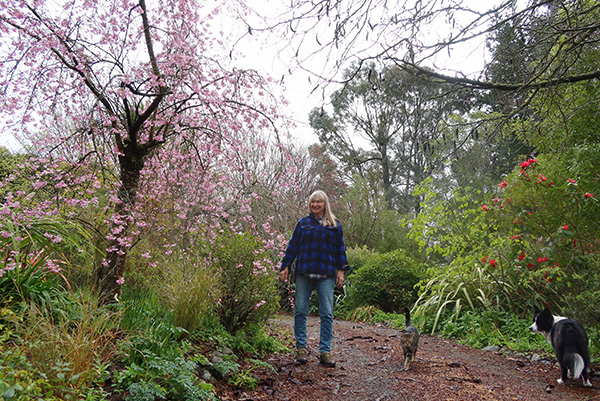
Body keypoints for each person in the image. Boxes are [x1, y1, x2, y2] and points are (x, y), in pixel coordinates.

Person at [280, 190, 350, 367]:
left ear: (325, 204)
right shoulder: (303, 224)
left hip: (326, 274)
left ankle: (325, 351)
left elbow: (339, 250)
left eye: (318, 202)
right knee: (300, 311)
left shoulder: (335, 225)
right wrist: (286, 265)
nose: (315, 205)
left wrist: (341, 270)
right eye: (313, 202)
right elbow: (293, 246)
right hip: (304, 273)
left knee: (327, 313)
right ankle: (301, 348)